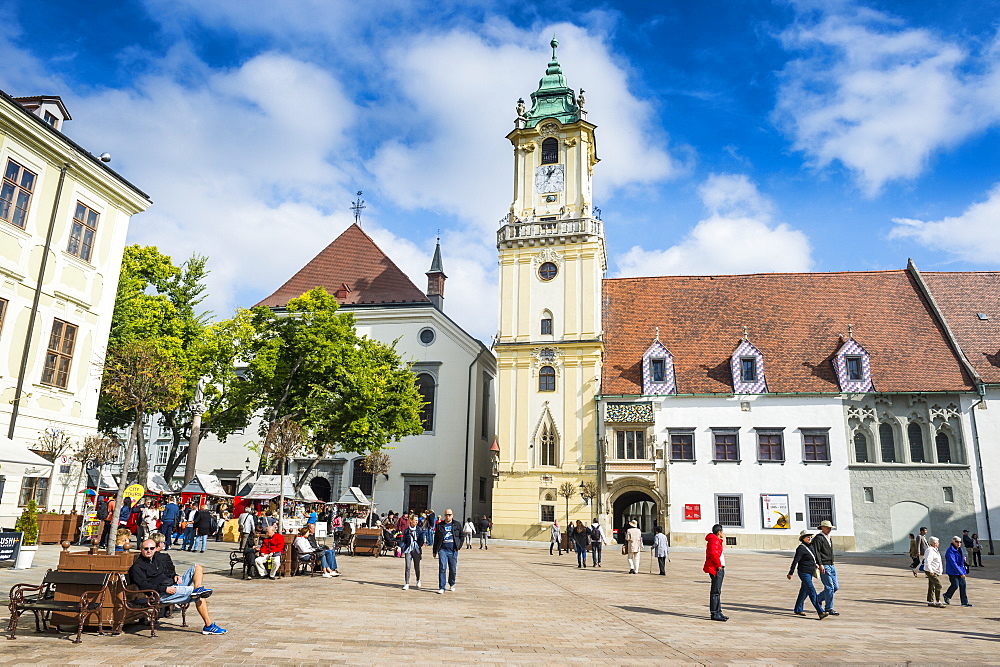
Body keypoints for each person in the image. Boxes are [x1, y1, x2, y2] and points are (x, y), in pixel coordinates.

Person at [129, 538, 226, 635]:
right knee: (198, 594)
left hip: (172, 585)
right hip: (161, 594)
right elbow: (144, 586)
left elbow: (166, 573)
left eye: (151, 548)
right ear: (141, 549)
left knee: (197, 567)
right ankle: (208, 626)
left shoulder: (155, 561)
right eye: (146, 548)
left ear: (155, 549)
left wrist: (175, 576)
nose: (149, 551)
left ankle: (198, 588)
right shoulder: (137, 567)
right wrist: (165, 589)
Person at [787, 530, 828, 619]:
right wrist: (791, 572)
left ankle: (798, 609)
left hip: (810, 572)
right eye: (807, 537)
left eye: (810, 537)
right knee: (812, 591)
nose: (809, 538)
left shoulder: (811, 546)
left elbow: (812, 558)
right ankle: (820, 611)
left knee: (804, 591)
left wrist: (815, 564)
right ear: (803, 538)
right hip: (803, 573)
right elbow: (795, 561)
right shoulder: (801, 548)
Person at [433, 508, 463, 593]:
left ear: (452, 515)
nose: (448, 516)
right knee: (442, 567)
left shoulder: (456, 524)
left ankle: (452, 583)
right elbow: (436, 538)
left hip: (453, 550)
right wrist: (434, 550)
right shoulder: (440, 525)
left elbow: (462, 536)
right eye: (446, 515)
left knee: (453, 569)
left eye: (449, 515)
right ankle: (442, 587)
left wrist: (459, 546)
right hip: (442, 550)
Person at [812, 520, 839, 616]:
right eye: (827, 528)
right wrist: (820, 564)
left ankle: (818, 599)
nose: (829, 529)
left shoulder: (828, 538)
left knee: (835, 587)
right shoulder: (818, 538)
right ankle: (829, 608)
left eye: (830, 528)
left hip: (831, 564)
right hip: (824, 565)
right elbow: (817, 552)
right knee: (829, 587)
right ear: (822, 528)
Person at [704, 524, 728, 621]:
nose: (723, 533)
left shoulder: (715, 540)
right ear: (719, 532)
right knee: (715, 591)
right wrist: (718, 565)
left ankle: (718, 611)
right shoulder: (714, 540)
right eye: (722, 532)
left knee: (717, 591)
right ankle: (714, 613)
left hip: (718, 567)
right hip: (716, 568)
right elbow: (714, 554)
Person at [943, 536, 972, 606]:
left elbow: (960, 561)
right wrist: (961, 573)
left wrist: (963, 560)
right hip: (952, 571)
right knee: (955, 585)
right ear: (953, 542)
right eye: (957, 542)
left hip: (961, 570)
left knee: (963, 585)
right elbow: (953, 563)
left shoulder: (960, 550)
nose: (959, 543)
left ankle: (964, 602)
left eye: (960, 542)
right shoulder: (950, 551)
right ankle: (947, 595)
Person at [400, 514, 424, 590]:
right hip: (408, 549)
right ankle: (407, 583)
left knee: (417, 566)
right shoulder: (406, 530)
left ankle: (418, 579)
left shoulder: (419, 529)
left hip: (416, 549)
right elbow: (404, 541)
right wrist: (400, 547)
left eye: (417, 520)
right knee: (407, 566)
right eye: (415, 520)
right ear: (411, 520)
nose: (416, 522)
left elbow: (421, 539)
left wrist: (420, 545)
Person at [922, 536, 945, 607]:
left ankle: (930, 601)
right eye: (937, 542)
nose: (938, 543)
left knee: (931, 585)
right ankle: (938, 601)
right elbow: (928, 561)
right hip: (931, 571)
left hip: (935, 571)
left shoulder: (935, 550)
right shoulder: (930, 550)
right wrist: (931, 571)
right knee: (938, 585)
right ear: (934, 543)